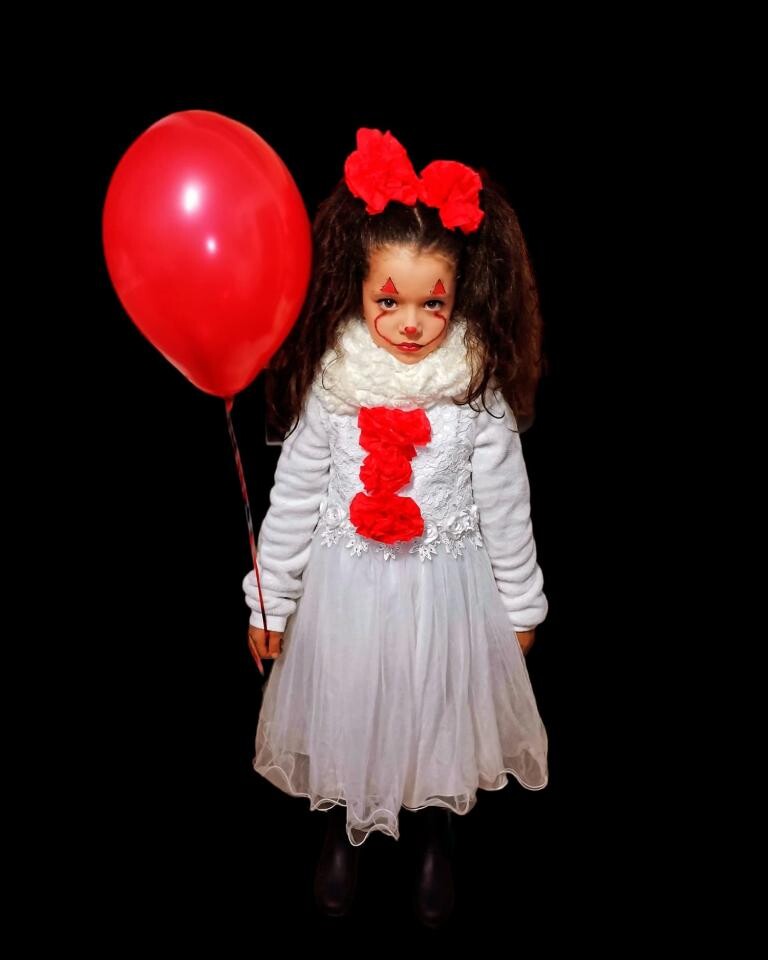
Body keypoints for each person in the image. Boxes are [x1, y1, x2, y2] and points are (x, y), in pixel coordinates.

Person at [242, 128, 549, 927]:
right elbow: (294, 495)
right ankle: (343, 824)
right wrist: (269, 599)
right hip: (347, 585)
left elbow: (506, 505)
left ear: (458, 297)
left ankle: (436, 830)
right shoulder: (334, 385)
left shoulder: (473, 389)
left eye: (431, 303)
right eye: (390, 300)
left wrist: (520, 604)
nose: (410, 322)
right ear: (358, 290)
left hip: (444, 587)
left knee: (436, 705)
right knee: (352, 698)